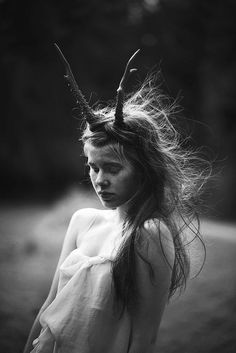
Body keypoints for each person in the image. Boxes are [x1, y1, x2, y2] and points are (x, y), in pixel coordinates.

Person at [23, 46, 207, 353]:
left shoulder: (149, 235)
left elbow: (143, 338)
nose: (99, 180)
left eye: (113, 168)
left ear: (144, 169)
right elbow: (49, 305)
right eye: (93, 167)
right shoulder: (83, 221)